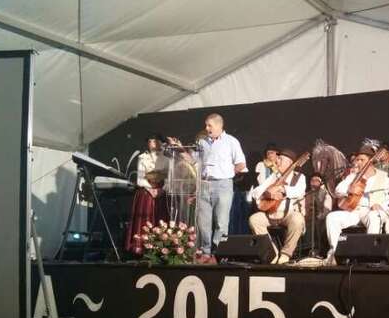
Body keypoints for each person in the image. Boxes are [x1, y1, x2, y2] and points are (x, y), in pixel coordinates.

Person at [174, 113, 246, 264]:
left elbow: (241, 164)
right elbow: (193, 161)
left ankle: (218, 253)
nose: (206, 128)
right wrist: (180, 149)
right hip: (205, 184)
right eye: (206, 125)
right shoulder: (202, 142)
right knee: (203, 222)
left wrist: (227, 173)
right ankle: (206, 252)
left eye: (209, 125)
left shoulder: (231, 141)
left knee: (221, 222)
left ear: (219, 125)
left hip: (223, 184)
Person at [325, 145, 389, 265]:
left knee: (373, 216)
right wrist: (348, 190)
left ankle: (370, 255)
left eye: (362, 160)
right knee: (332, 217)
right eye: (357, 160)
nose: (358, 162)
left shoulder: (384, 177)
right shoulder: (353, 176)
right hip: (354, 211)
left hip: (373, 211)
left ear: (371, 161)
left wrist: (382, 207)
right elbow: (338, 190)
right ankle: (335, 253)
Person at [248, 149, 306, 264]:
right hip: (270, 214)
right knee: (254, 219)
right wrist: (267, 193)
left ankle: (286, 254)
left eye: (280, 159)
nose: (277, 161)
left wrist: (282, 189)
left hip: (287, 215)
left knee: (298, 219)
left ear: (289, 163)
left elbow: (299, 191)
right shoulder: (274, 176)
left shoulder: (299, 177)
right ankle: (272, 252)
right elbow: (255, 193)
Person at [126, 134, 170, 254]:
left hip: (161, 193)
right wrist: (151, 189)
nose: (151, 143)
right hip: (146, 192)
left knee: (160, 219)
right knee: (144, 219)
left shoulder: (167, 159)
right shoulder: (142, 157)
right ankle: (141, 247)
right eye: (149, 141)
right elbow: (140, 179)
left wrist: (161, 190)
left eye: (154, 141)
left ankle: (161, 248)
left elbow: (168, 179)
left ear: (161, 143)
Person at [300, 173, 333, 256]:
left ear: (321, 183)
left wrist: (319, 216)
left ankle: (319, 250)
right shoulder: (306, 194)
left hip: (320, 221)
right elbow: (302, 207)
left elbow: (326, 210)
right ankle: (306, 250)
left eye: (316, 181)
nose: (314, 183)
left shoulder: (325, 194)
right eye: (312, 180)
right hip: (308, 219)